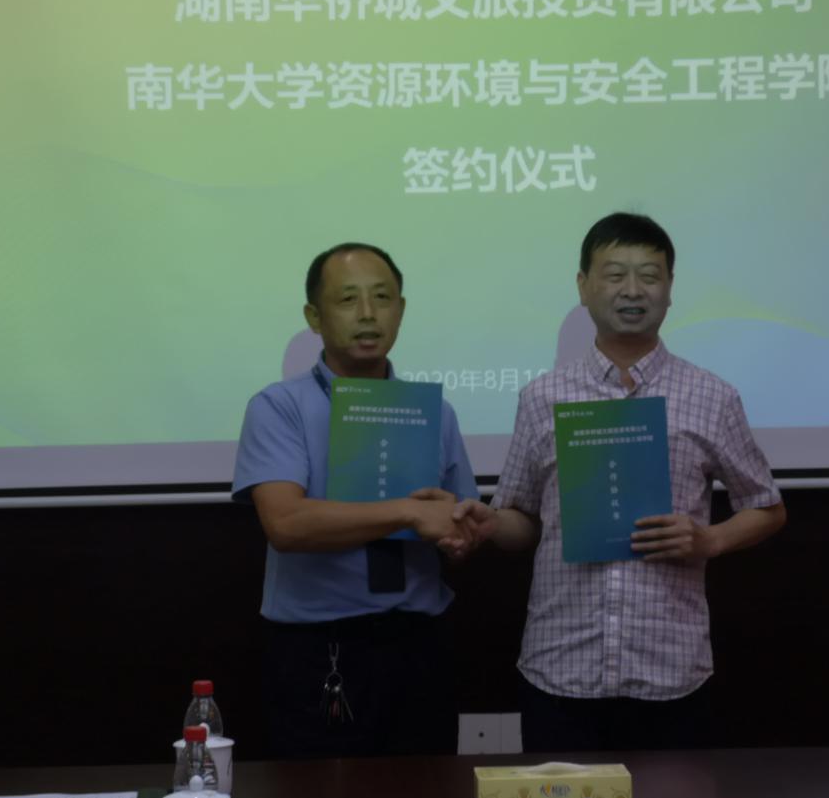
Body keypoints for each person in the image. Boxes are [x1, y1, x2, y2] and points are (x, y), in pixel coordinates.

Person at [453, 212, 786, 751]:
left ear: (670, 289)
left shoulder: (712, 396)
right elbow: (523, 520)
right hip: (561, 667)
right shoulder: (542, 397)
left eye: (649, 276)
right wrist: (489, 522)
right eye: (614, 275)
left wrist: (711, 539)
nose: (633, 290)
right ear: (583, 286)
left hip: (670, 669)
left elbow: (767, 507)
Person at [232, 242, 481, 758]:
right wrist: (409, 511)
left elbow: (459, 522)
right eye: (348, 299)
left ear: (401, 310)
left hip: (420, 646)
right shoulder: (279, 407)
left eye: (382, 298)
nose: (368, 314)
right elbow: (285, 524)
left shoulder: (434, 412)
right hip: (319, 650)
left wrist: (460, 535)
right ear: (314, 317)